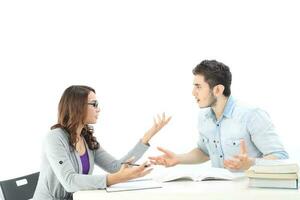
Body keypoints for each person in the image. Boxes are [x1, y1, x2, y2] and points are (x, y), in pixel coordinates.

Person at [33, 85, 171, 200]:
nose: (98, 109)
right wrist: (114, 179)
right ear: (77, 106)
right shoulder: (54, 138)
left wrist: (147, 136)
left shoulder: (86, 139)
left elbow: (115, 167)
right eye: (94, 104)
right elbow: (69, 181)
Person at [149, 60, 288, 171]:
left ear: (218, 89)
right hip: (218, 190)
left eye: (198, 86)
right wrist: (179, 158)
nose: (193, 92)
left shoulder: (251, 115)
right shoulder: (204, 117)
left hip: (249, 192)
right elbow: (204, 152)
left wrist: (251, 164)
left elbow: (281, 157)